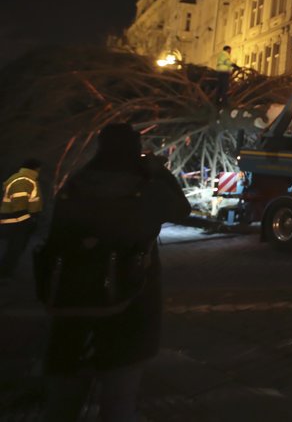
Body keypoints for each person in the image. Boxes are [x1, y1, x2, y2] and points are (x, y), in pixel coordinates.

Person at [42, 123, 190, 421]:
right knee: (119, 399)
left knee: (63, 400)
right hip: (130, 304)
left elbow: (55, 237)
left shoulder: (74, 185)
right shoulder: (145, 189)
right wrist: (157, 171)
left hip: (72, 303)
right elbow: (181, 209)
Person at [0, 158, 43, 278]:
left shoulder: (27, 179)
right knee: (13, 249)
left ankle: (6, 272)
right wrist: (29, 219)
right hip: (17, 222)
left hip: (17, 221)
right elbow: (19, 205)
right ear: (36, 168)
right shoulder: (24, 180)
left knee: (13, 249)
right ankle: (4, 274)